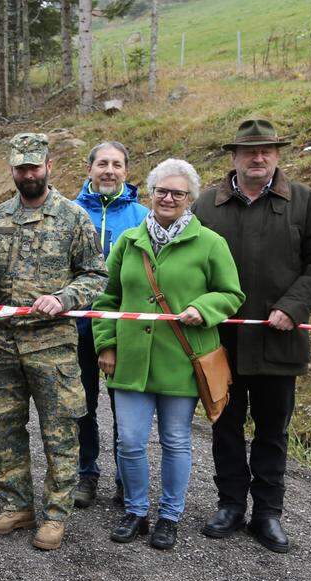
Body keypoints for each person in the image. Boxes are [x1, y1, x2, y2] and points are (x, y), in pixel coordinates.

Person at [192, 119, 311, 554]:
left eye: (267, 152)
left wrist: (293, 306)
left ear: (277, 155)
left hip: (280, 340)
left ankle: (267, 514)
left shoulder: (305, 202)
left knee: (273, 430)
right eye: (249, 152)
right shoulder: (206, 206)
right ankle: (230, 505)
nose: (258, 159)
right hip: (221, 341)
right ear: (234, 156)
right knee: (225, 426)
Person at [93, 158, 244, 550]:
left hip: (181, 358)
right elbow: (107, 298)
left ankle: (170, 516)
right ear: (151, 193)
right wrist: (106, 344)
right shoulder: (128, 242)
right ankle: (136, 510)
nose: (168, 197)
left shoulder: (211, 243)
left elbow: (231, 294)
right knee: (128, 440)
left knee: (176, 440)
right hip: (130, 360)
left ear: (190, 199)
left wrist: (204, 308)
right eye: (162, 190)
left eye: (178, 192)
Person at [0, 133, 107, 551]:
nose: (28, 174)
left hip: (52, 347)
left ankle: (54, 514)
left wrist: (64, 298)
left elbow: (96, 276)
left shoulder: (73, 217)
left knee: (59, 432)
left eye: (35, 166)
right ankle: (17, 505)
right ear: (11, 169)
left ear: (49, 166)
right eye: (20, 167)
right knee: (6, 427)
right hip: (4, 347)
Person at [72, 141, 150, 508]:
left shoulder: (143, 217)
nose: (109, 170)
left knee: (126, 407)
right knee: (81, 405)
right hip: (76, 328)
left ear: (126, 171)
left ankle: (125, 477)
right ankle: (86, 473)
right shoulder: (69, 212)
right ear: (89, 169)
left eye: (117, 164)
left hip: (126, 329)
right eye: (102, 163)